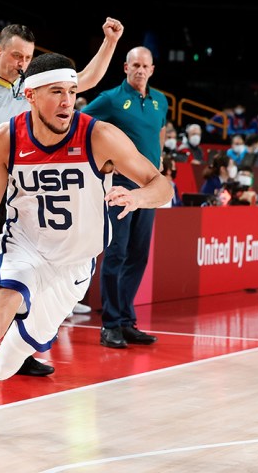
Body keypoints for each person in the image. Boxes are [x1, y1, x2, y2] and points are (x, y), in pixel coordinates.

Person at [0, 52, 173, 437]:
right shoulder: (8, 137)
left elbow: (161, 184)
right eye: (56, 91)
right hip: (24, 247)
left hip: (74, 264)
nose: (66, 101)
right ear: (31, 95)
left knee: (10, 358)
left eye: (72, 92)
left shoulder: (99, 135)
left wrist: (139, 197)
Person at [0, 18, 124, 378]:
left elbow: (87, 78)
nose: (22, 62)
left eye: (28, 57)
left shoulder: (36, 88)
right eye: (17, 55)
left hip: (27, 192)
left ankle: (16, 353)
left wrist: (110, 42)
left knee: (17, 285)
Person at [82, 46, 169, 349]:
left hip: (148, 187)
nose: (140, 70)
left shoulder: (161, 101)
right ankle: (110, 325)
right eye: (135, 65)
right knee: (116, 252)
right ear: (125, 67)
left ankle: (126, 320)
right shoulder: (111, 99)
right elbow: (81, 124)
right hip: (118, 184)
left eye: (145, 66)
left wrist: (159, 162)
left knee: (138, 254)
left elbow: (160, 132)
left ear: (152, 69)